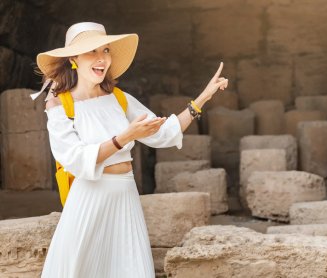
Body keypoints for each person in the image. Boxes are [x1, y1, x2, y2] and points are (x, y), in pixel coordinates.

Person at [32, 22, 228, 277]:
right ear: (73, 59)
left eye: (105, 50)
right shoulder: (59, 104)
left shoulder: (118, 98)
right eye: (92, 51)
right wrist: (123, 138)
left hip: (125, 197)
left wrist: (203, 98)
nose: (101, 59)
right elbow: (76, 160)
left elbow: (165, 133)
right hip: (89, 200)